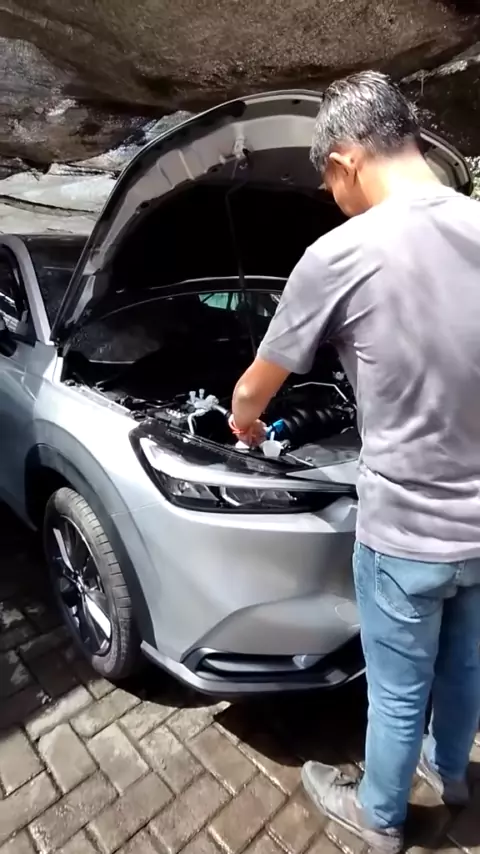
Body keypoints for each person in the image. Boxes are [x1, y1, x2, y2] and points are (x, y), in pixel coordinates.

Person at [229, 71, 480, 854]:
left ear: (344, 161)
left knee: (399, 689)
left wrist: (243, 422)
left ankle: (380, 818)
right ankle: (454, 776)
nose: (328, 196)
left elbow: (256, 387)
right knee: (467, 668)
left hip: (405, 534)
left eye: (325, 182)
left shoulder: (340, 253)